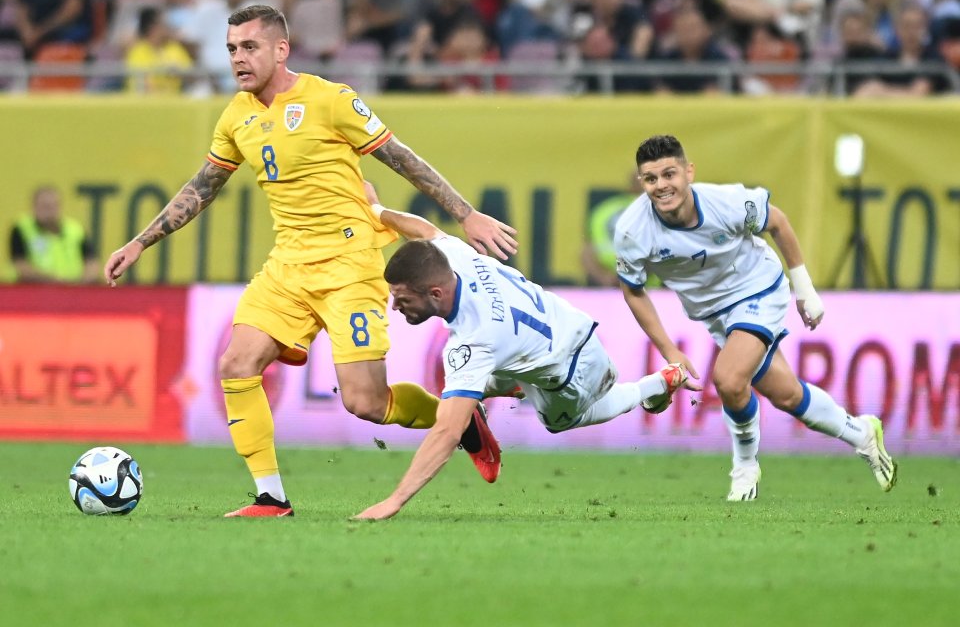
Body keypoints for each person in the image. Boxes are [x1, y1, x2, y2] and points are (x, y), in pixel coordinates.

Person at [104, 5, 517, 517]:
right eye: (231, 48)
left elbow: (402, 158)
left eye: (250, 46)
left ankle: (462, 422)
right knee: (236, 364)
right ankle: (271, 497)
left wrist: (465, 214)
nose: (238, 57)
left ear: (282, 49)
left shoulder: (329, 99)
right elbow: (202, 188)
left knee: (367, 404)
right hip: (288, 267)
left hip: (349, 266)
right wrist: (141, 242)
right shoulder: (237, 115)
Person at [352, 183, 696, 521]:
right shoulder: (455, 256)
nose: (395, 306)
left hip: (571, 374)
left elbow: (445, 433)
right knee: (477, 375)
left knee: (558, 420)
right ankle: (492, 393)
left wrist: (394, 501)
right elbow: (424, 230)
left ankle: (653, 386)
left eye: (404, 299)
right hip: (564, 328)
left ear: (437, 293)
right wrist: (376, 211)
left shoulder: (475, 339)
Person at [613, 135, 898, 501]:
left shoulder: (726, 202)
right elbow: (633, 290)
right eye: (651, 179)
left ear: (688, 171)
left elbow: (777, 221)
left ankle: (745, 467)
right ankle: (862, 434)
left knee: (729, 381)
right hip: (715, 314)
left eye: (669, 174)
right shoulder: (633, 231)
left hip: (757, 288)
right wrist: (669, 349)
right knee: (787, 395)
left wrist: (805, 291)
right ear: (642, 183)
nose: (662, 186)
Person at [9, 185, 99, 284]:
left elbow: (92, 264)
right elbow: (21, 266)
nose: (49, 211)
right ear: (34, 206)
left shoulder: (75, 230)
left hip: (73, 291)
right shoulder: (22, 229)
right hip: (34, 290)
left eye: (53, 206)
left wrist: (80, 283)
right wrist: (54, 280)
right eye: (44, 206)